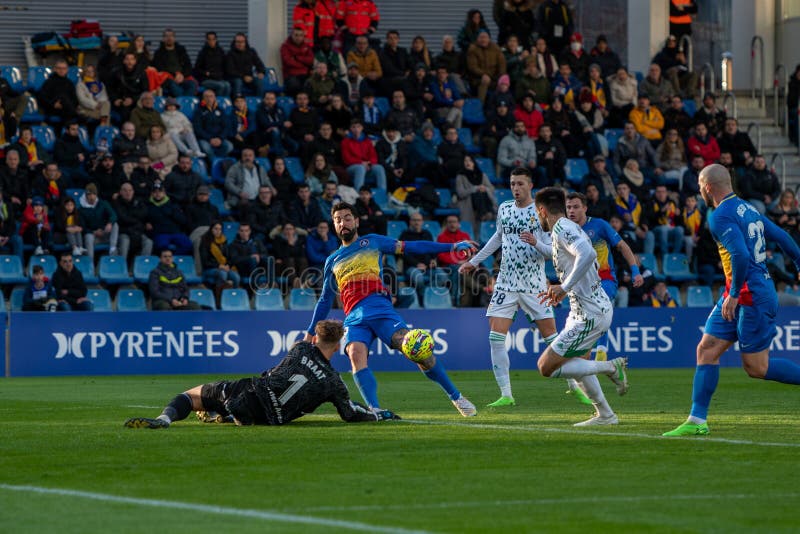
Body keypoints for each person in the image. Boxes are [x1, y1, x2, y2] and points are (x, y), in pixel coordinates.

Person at [663, 164, 800, 437]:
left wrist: (735, 294)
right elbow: (782, 236)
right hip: (738, 292)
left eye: (701, 185)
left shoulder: (719, 215)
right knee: (707, 350)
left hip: (750, 296)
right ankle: (697, 420)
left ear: (709, 187)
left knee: (756, 368)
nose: (700, 190)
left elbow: (740, 255)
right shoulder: (748, 209)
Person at [306, 201, 478, 417]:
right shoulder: (332, 260)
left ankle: (456, 397)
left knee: (416, 350)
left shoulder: (373, 242)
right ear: (334, 225)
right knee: (354, 353)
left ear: (356, 221)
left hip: (380, 309)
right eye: (338, 220)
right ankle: (375, 409)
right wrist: (310, 333)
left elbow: (412, 247)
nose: (343, 223)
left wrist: (451, 247)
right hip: (354, 318)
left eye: (347, 218)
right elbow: (324, 299)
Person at [125, 319, 399, 428]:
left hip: (250, 393)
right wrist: (378, 413)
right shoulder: (334, 383)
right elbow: (350, 413)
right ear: (339, 346)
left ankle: (165, 419)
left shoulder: (300, 348)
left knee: (190, 395)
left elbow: (274, 372)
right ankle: (229, 415)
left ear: (315, 338)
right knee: (266, 402)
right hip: (273, 419)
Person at [459, 168, 557, 407]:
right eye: (513, 183)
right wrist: (474, 261)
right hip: (506, 283)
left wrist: (535, 242)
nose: (515, 187)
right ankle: (506, 394)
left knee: (553, 341)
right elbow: (498, 238)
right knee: (495, 338)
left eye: (520, 183)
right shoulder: (504, 209)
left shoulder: (540, 212)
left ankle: (575, 386)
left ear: (530, 185)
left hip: (534, 284)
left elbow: (551, 251)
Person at [534, 186, 630, 426]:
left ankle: (610, 367)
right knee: (579, 366)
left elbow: (587, 253)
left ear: (542, 210)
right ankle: (606, 415)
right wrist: (564, 292)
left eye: (537, 213)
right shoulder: (564, 229)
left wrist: (563, 287)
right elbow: (583, 263)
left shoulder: (563, 228)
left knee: (546, 367)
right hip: (585, 310)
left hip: (590, 314)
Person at [565, 192, 644, 365]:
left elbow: (622, 246)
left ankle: (601, 350)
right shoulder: (565, 231)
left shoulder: (599, 226)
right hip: (580, 284)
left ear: (585, 208)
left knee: (600, 304)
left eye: (576, 207)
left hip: (605, 278)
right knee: (583, 324)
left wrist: (635, 270)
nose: (571, 211)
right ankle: (584, 374)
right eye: (569, 207)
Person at [198, 222, 241, 304]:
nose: (218, 231)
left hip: (224, 268)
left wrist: (228, 265)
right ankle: (219, 300)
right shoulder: (205, 242)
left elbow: (229, 257)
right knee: (222, 274)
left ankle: (233, 299)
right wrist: (219, 266)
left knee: (236, 277)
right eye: (216, 229)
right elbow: (205, 262)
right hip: (209, 269)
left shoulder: (224, 241)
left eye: (220, 229)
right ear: (211, 230)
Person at [455, 154, 496, 237]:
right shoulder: (460, 176)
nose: (467, 162)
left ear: (473, 162)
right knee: (478, 193)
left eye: (470, 160)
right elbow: (461, 193)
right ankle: (485, 213)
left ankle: (484, 213)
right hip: (468, 203)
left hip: (483, 202)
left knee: (481, 193)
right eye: (465, 161)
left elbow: (491, 188)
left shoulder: (482, 175)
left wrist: (484, 188)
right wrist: (475, 188)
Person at [146, 180, 191, 255]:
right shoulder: (148, 205)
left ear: (164, 193)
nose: (157, 194)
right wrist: (147, 223)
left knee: (188, 245)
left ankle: (173, 260)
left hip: (176, 232)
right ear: (152, 194)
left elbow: (183, 220)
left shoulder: (173, 204)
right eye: (155, 192)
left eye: (160, 191)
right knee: (162, 246)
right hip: (160, 234)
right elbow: (144, 218)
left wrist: (173, 213)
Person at [341, 118, 386, 191]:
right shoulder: (345, 141)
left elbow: (373, 156)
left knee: (379, 168)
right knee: (360, 168)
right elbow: (347, 159)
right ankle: (359, 194)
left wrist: (369, 163)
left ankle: (382, 193)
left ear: (362, 128)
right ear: (350, 129)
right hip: (352, 168)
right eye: (353, 127)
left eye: (358, 127)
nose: (356, 129)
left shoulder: (367, 141)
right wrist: (361, 163)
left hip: (367, 166)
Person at [152, 29, 197, 97]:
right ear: (163, 39)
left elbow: (188, 66)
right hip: (168, 78)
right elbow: (159, 68)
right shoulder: (158, 53)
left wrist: (182, 75)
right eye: (167, 36)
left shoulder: (181, 50)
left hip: (182, 77)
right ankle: (182, 104)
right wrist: (174, 75)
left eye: (171, 36)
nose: (169, 38)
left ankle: (182, 104)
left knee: (192, 85)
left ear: (174, 38)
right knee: (173, 86)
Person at [79, 182, 120, 259]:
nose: (92, 197)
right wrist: (93, 232)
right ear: (86, 195)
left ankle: (112, 249)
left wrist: (110, 223)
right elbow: (82, 227)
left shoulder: (103, 203)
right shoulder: (81, 209)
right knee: (88, 236)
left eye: (94, 194)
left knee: (115, 225)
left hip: (104, 232)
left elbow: (113, 215)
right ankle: (90, 262)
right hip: (94, 236)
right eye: (89, 195)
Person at [114, 181, 153, 259]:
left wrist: (132, 215)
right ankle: (122, 267)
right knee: (125, 242)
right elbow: (123, 218)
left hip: (138, 231)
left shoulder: (139, 201)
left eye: (130, 190)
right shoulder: (117, 203)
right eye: (125, 190)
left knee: (149, 242)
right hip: (124, 232)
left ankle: (142, 267)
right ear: (120, 192)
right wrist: (137, 218)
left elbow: (144, 213)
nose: (128, 192)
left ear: (133, 191)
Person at [466, 30, 506, 104]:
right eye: (481, 37)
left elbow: (502, 64)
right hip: (478, 78)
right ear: (477, 39)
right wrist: (484, 74)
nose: (483, 40)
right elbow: (473, 67)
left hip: (494, 77)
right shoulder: (473, 49)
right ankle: (480, 106)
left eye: (485, 37)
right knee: (485, 81)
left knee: (504, 82)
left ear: (489, 39)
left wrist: (501, 76)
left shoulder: (495, 48)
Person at [193, 89, 234, 158]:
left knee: (229, 146)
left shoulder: (220, 110)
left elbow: (226, 126)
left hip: (219, 138)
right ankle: (213, 163)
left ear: (214, 98)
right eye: (206, 96)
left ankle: (219, 160)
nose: (209, 99)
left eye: (211, 96)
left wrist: (220, 138)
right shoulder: (199, 111)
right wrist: (209, 139)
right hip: (205, 139)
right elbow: (198, 129)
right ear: (203, 99)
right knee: (206, 148)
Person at [194, 31, 231, 97]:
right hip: (206, 79)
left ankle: (225, 103)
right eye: (209, 39)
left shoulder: (220, 51)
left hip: (218, 78)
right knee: (221, 86)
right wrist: (205, 73)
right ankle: (216, 104)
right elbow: (197, 68)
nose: (211, 41)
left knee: (227, 85)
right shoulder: (202, 53)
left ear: (216, 40)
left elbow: (225, 66)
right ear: (206, 40)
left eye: (213, 39)